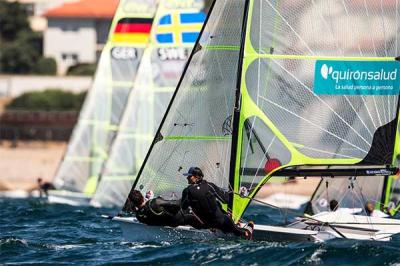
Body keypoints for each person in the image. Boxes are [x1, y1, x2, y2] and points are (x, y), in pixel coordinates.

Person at [181, 166, 253, 239]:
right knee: (218, 208)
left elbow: (183, 208)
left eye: (190, 176)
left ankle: (229, 227)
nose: (187, 178)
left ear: (196, 177)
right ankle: (244, 231)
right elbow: (225, 200)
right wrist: (237, 193)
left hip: (206, 224)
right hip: (219, 221)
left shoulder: (187, 191)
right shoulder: (209, 186)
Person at [126, 189, 204, 228]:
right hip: (184, 217)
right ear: (142, 197)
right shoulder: (155, 202)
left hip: (172, 224)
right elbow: (177, 204)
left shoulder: (139, 216)